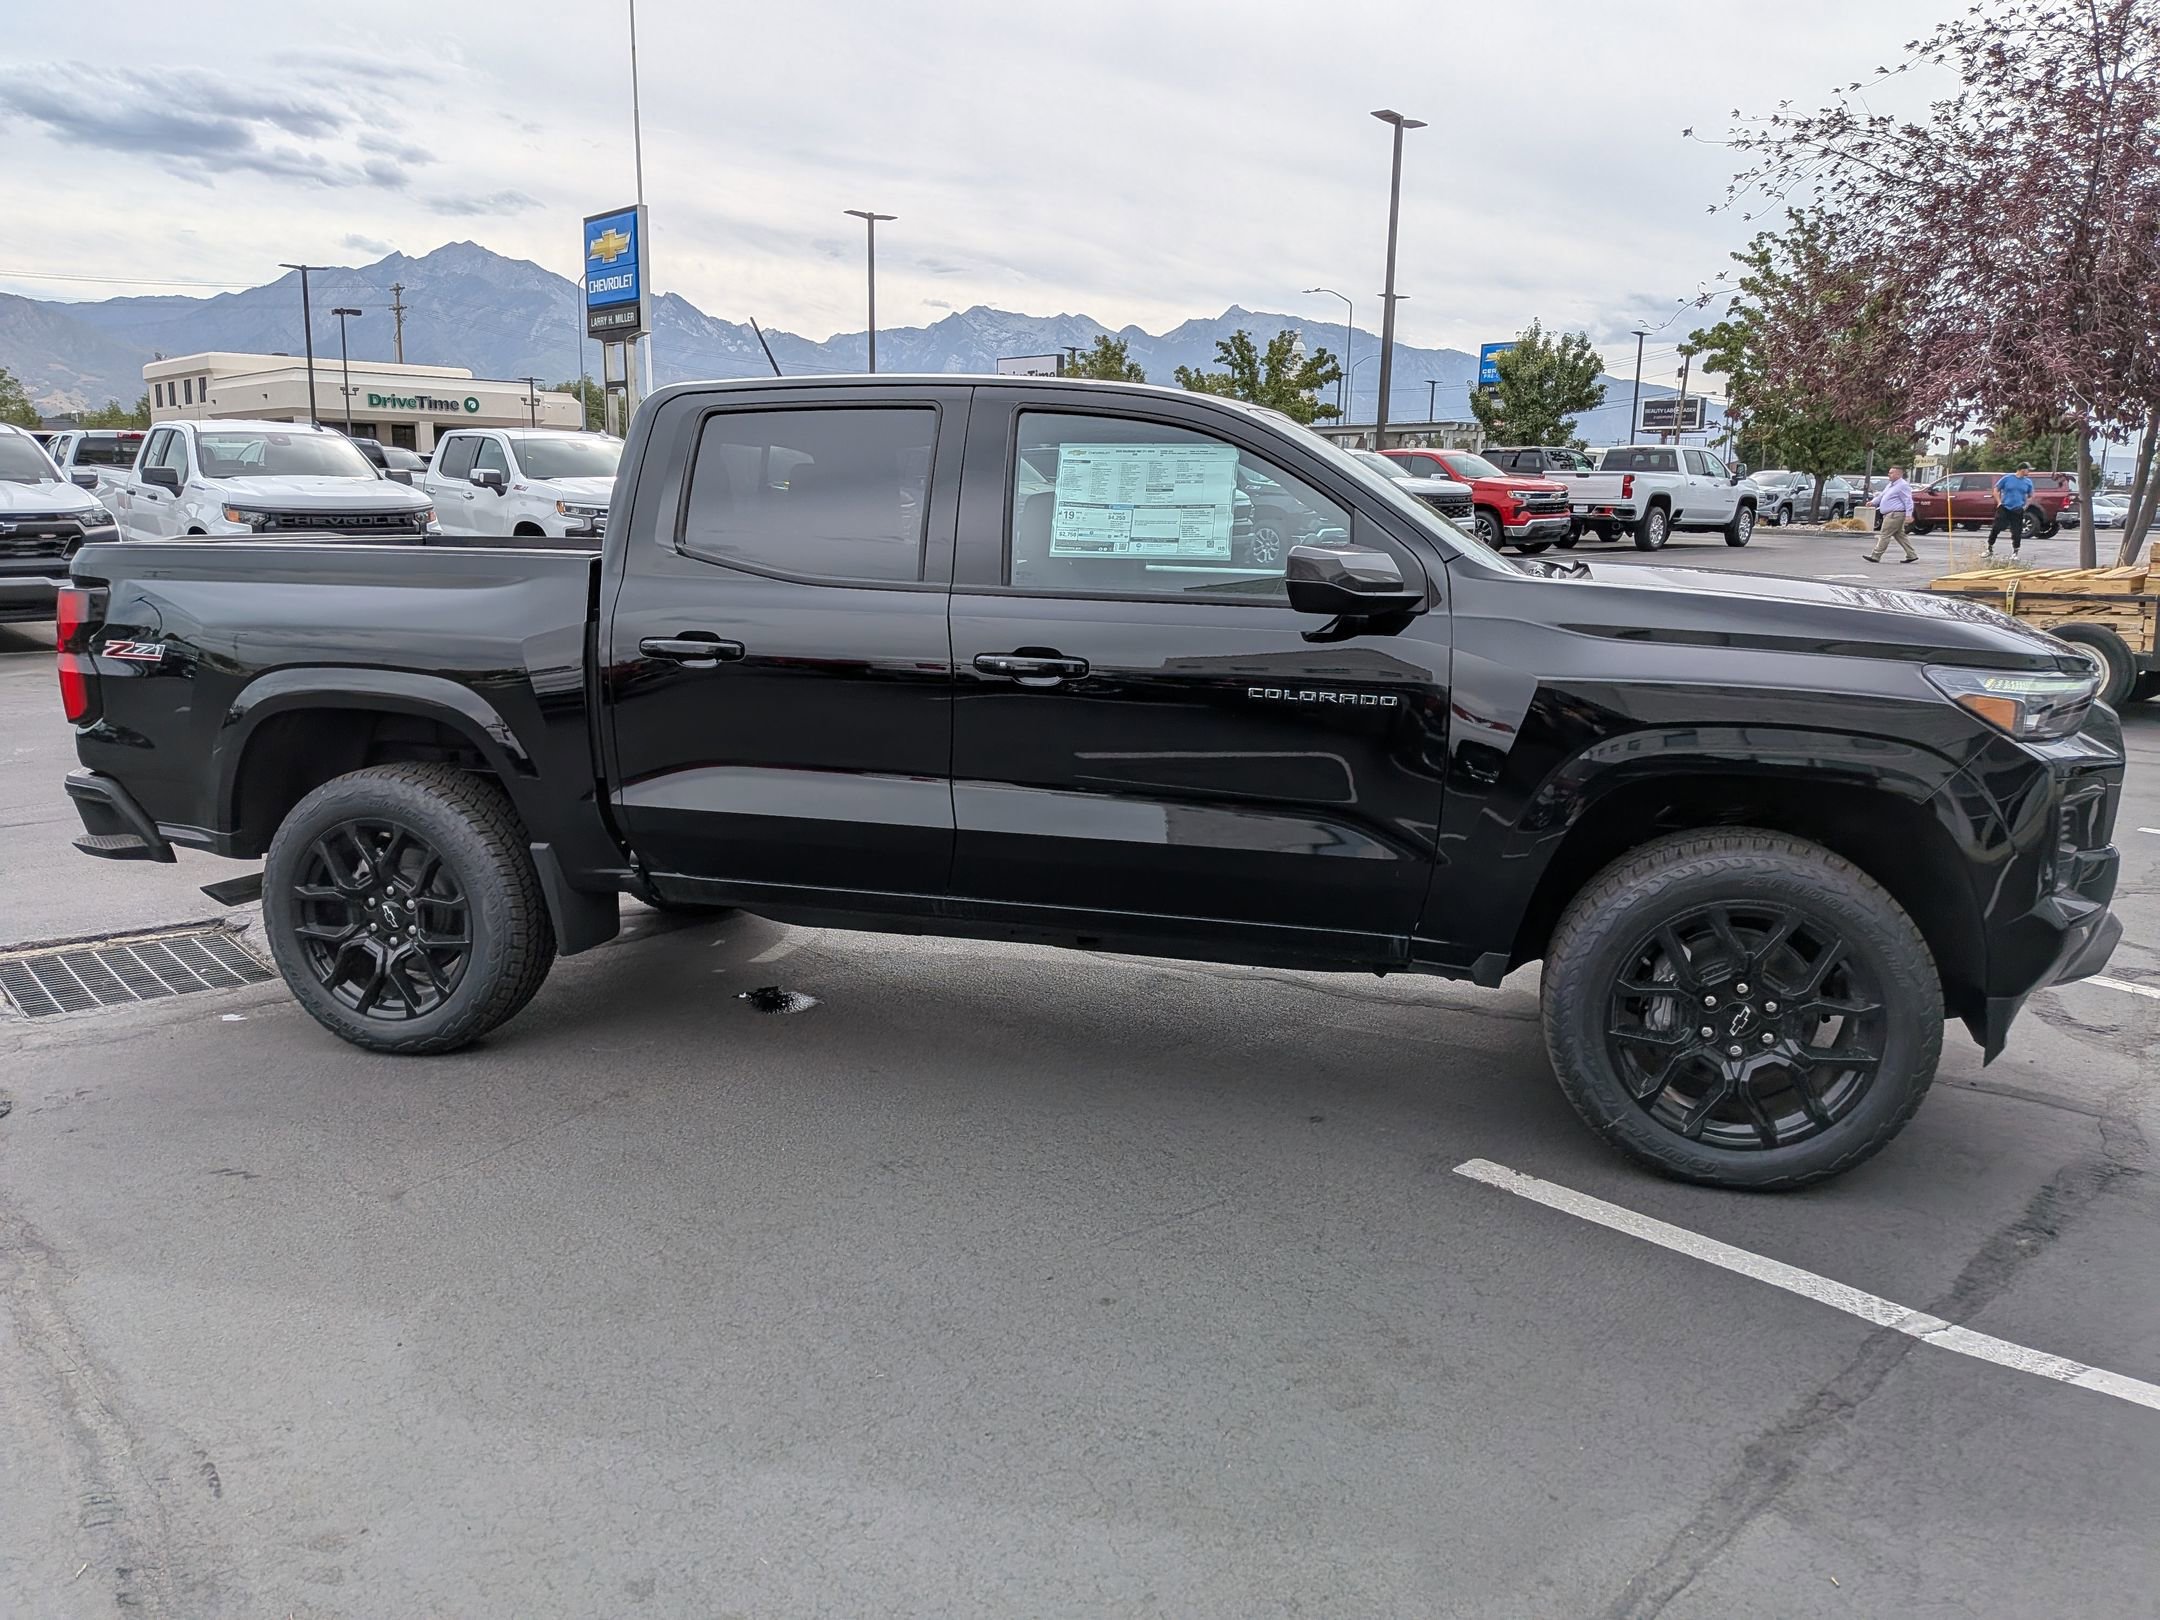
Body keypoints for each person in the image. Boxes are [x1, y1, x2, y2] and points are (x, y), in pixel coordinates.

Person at [1864, 466, 1918, 563]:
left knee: (1885, 534)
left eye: (1891, 473)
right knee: (1900, 535)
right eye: (1889, 472)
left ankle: (1876, 555)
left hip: (1895, 514)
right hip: (1891, 514)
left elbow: (1908, 500)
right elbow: (1882, 495)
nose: (1889, 474)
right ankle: (1912, 555)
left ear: (1899, 474)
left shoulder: (1903, 485)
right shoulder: (1890, 485)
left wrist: (1909, 515)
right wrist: (1873, 502)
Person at [1988, 465, 2037, 559]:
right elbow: (1996, 489)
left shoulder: (2028, 482)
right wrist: (1999, 502)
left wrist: (2025, 506)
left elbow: (2031, 495)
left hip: (2018, 509)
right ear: (2022, 470)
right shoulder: (2007, 478)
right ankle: (1989, 548)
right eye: (2028, 470)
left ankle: (2015, 552)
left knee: (2016, 531)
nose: (2029, 472)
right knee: (1996, 528)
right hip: (2005, 507)